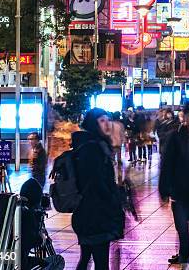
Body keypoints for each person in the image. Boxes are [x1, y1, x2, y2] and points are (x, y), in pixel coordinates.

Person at [72, 108, 125, 270]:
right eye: (102, 120)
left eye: (107, 119)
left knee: (86, 257)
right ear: (93, 124)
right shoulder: (93, 149)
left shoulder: (89, 144)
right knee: (101, 263)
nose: (107, 123)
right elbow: (96, 182)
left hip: (87, 212)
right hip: (96, 214)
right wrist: (113, 198)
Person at [159, 110, 189, 268]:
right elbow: (166, 163)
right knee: (182, 227)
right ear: (186, 119)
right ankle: (185, 256)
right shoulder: (175, 136)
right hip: (179, 190)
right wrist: (164, 189)